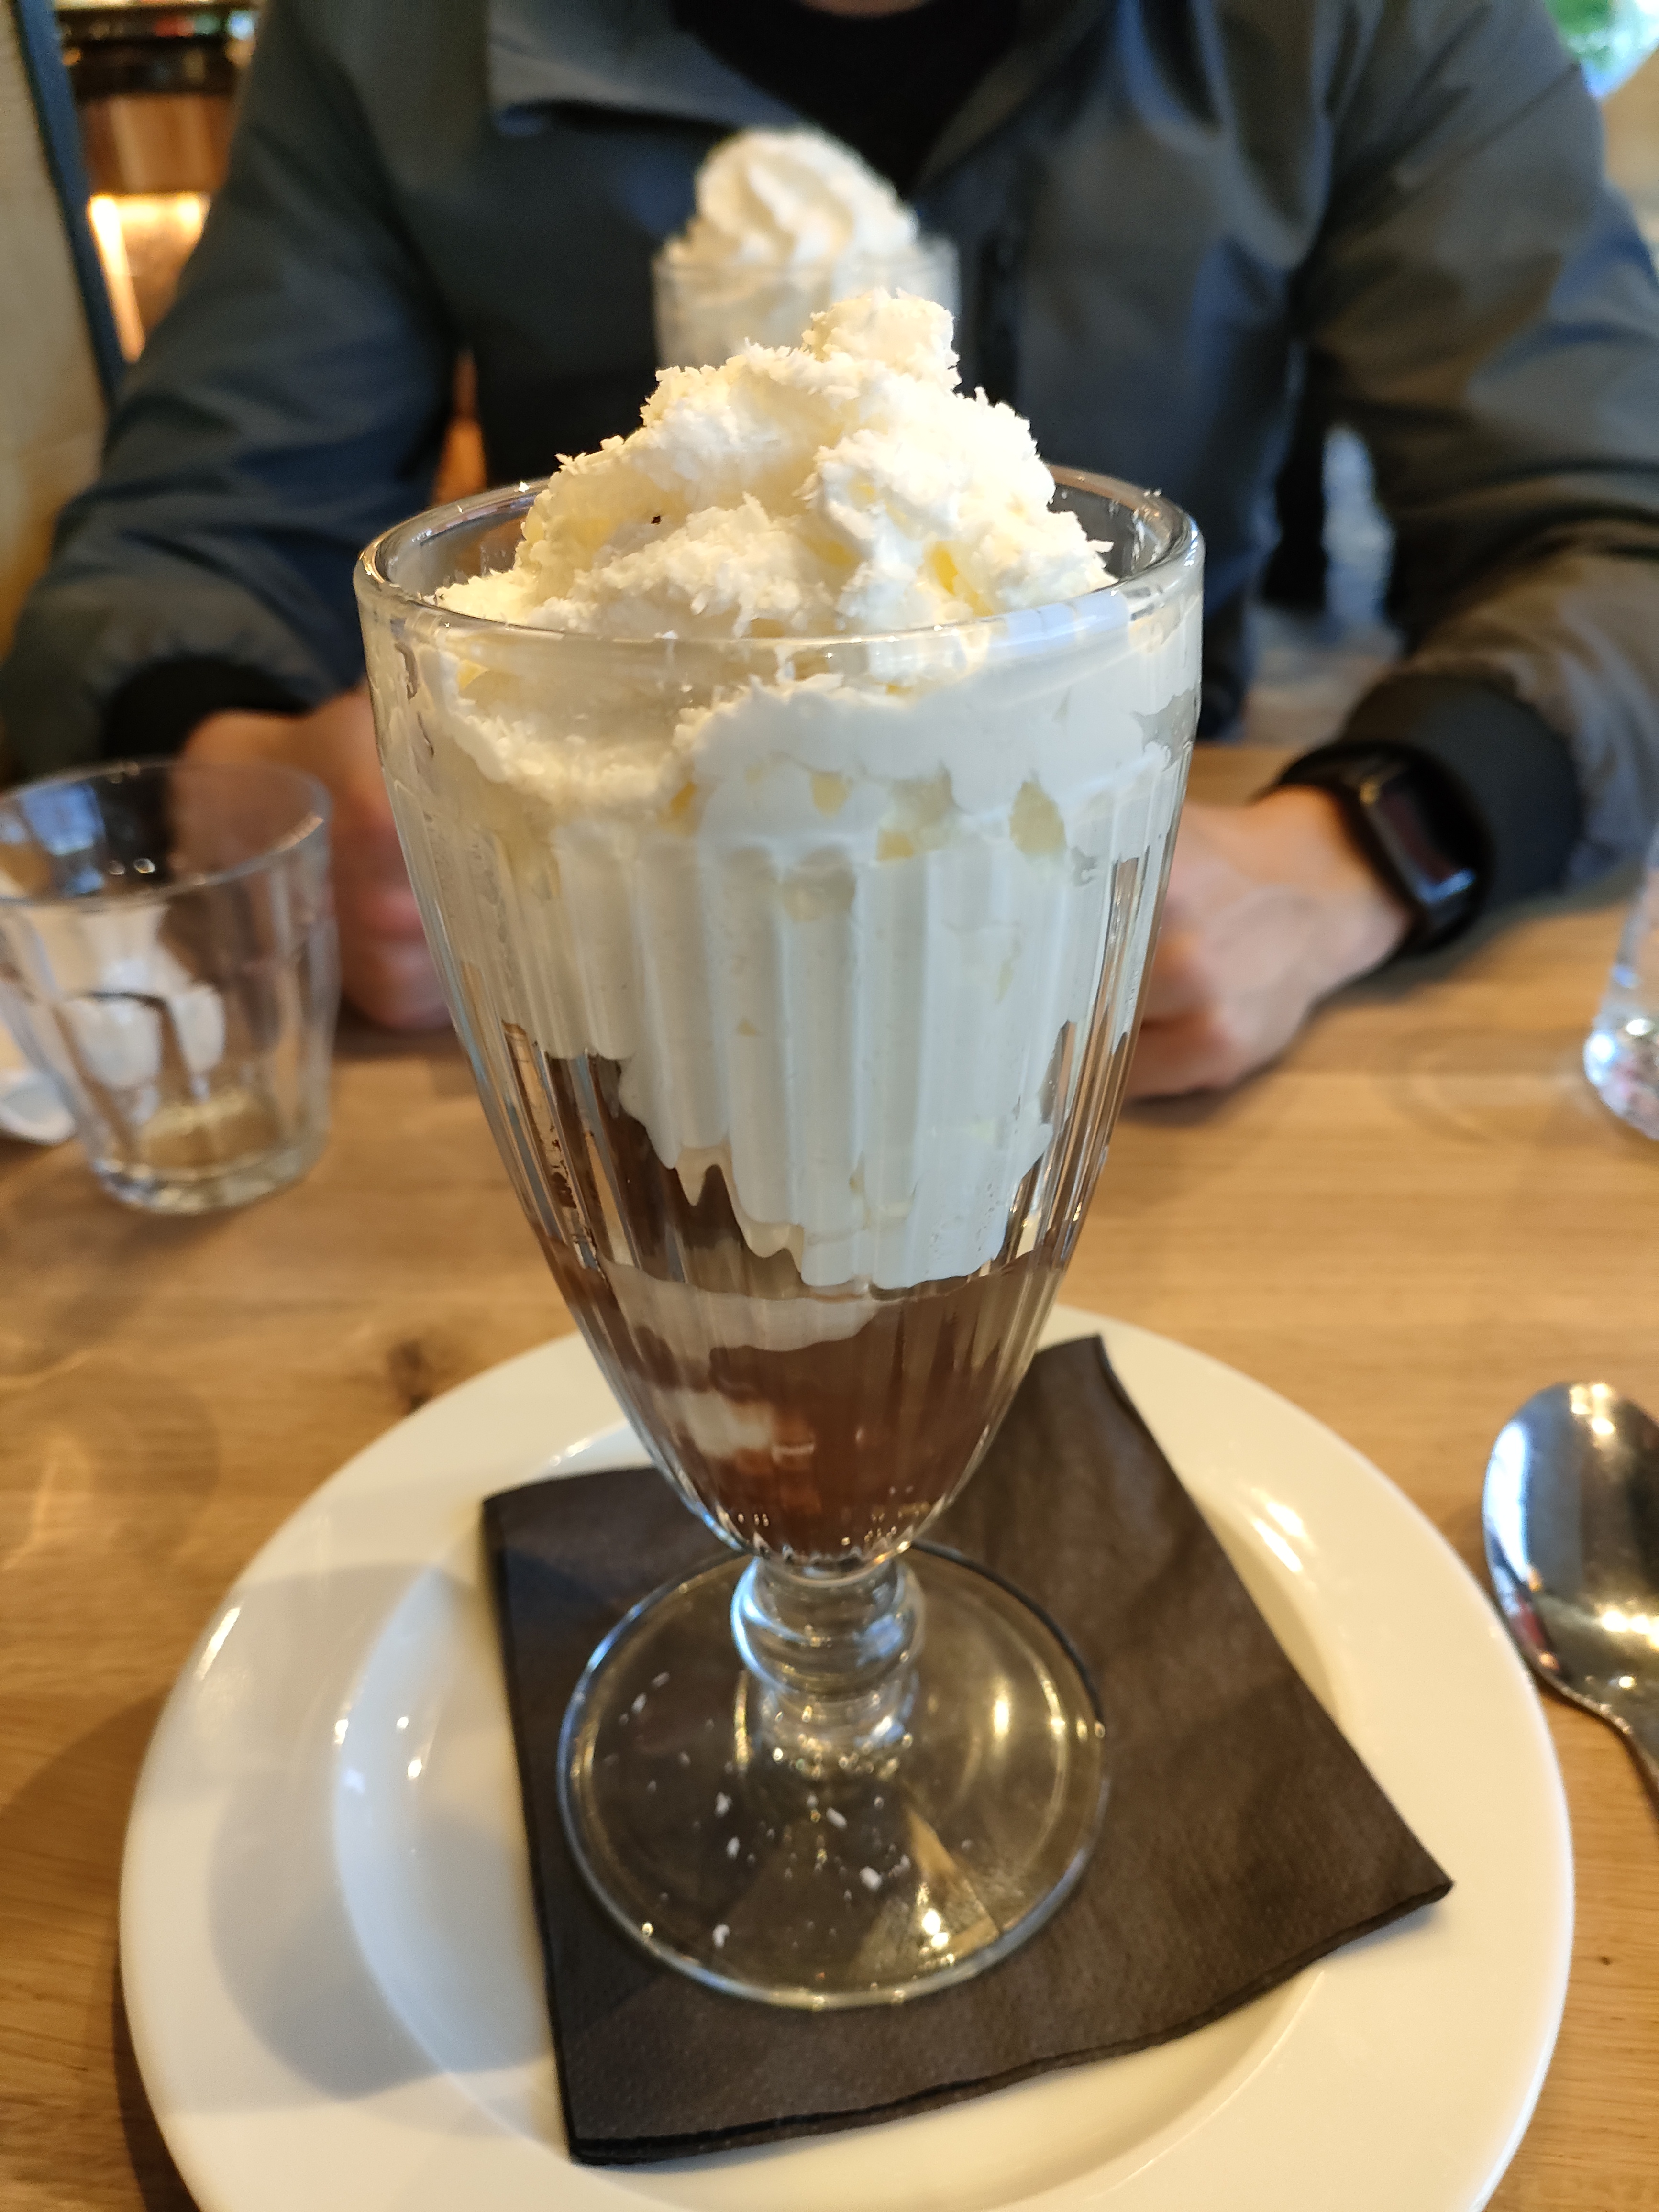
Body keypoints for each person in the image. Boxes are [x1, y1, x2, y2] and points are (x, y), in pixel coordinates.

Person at [5, 0, 1658, 1095]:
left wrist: (1362, 851)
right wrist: (254, 769)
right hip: (598, 1025)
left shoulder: (1374, 22)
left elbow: (1614, 531)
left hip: (1105, 999)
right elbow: (173, 552)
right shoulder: (394, 36)